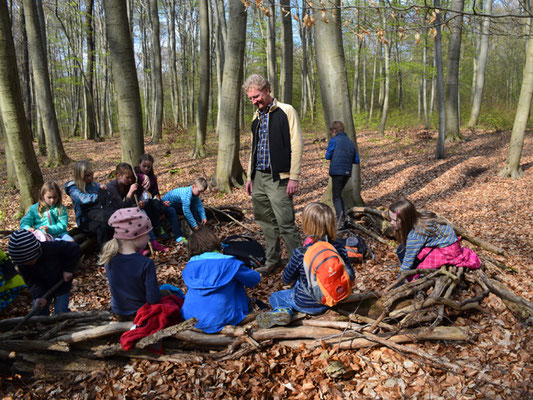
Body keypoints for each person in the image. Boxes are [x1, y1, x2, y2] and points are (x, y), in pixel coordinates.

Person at [255, 202, 354, 329]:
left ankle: (283, 311)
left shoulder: (302, 252)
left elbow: (286, 278)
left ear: (306, 225)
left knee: (276, 297)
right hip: (336, 296)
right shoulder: (339, 247)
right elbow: (350, 273)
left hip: (307, 302)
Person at [243, 74, 303, 275]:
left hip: (279, 178)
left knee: (286, 223)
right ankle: (272, 260)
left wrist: (293, 176)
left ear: (267, 90)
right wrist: (250, 178)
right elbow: (253, 148)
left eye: (256, 96)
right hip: (258, 178)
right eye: (250, 98)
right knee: (266, 222)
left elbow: (296, 144)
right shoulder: (256, 117)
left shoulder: (286, 111)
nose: (254, 101)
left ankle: (299, 265)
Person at [181, 227, 261, 333]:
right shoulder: (230, 264)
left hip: (192, 319)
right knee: (244, 297)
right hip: (225, 318)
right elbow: (254, 280)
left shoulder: (189, 266)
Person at [98, 208, 161, 321]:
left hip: (118, 312)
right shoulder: (146, 263)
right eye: (147, 234)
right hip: (140, 313)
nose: (149, 238)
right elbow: (153, 299)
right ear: (135, 236)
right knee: (170, 292)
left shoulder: (109, 258)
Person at [388, 198, 481, 275]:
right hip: (448, 242)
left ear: (404, 219)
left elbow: (407, 261)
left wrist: (401, 277)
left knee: (420, 270)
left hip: (448, 251)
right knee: (401, 249)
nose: (391, 222)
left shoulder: (416, 234)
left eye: (393, 220)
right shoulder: (419, 218)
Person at [8, 229, 80, 316]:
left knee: (61, 311)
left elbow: (74, 248)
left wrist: (68, 270)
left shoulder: (52, 247)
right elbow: (31, 281)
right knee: (39, 311)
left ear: (36, 252)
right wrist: (38, 296)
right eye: (25, 262)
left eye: (30, 261)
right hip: (42, 286)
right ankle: (43, 325)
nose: (28, 264)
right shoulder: (23, 264)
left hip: (61, 283)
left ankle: (63, 322)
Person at [107, 163, 167, 253]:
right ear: (118, 176)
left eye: (131, 177)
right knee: (132, 220)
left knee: (143, 213)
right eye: (127, 177)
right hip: (113, 214)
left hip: (124, 210)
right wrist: (130, 192)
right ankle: (137, 248)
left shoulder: (127, 184)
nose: (130, 180)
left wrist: (138, 204)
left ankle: (153, 242)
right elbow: (120, 206)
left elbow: (130, 202)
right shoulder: (112, 187)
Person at [325, 121, 360, 229]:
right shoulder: (350, 142)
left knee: (335, 196)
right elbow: (356, 160)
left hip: (337, 172)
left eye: (332, 132)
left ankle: (341, 220)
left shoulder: (334, 140)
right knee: (338, 194)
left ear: (335, 131)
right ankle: (346, 217)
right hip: (347, 173)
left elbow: (328, 156)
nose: (332, 133)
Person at [134, 154, 172, 239]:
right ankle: (155, 229)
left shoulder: (152, 178)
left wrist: (162, 202)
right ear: (139, 164)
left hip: (149, 200)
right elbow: (132, 175)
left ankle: (159, 227)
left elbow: (156, 193)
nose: (146, 169)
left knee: (164, 207)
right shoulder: (134, 173)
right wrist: (143, 176)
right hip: (137, 201)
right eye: (144, 166)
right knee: (149, 205)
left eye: (149, 167)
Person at [162, 177, 208, 244]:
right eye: (199, 191)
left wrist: (203, 217)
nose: (199, 194)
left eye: (201, 192)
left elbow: (199, 205)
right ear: (193, 186)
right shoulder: (186, 194)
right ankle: (178, 236)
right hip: (166, 205)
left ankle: (199, 226)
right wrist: (194, 225)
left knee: (194, 206)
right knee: (172, 213)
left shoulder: (194, 194)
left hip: (177, 204)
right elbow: (186, 211)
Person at [64, 160, 102, 230]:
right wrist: (99, 196)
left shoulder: (94, 185)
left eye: (91, 175)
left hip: (98, 215)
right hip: (84, 221)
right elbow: (82, 199)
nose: (89, 178)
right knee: (101, 227)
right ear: (79, 176)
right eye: (86, 176)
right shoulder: (73, 188)